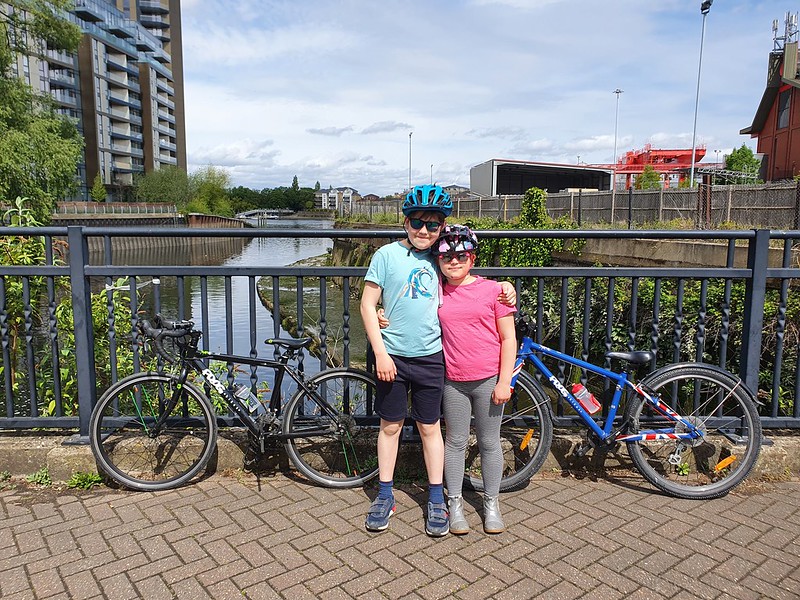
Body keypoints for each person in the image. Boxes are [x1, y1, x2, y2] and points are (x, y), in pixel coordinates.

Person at [360, 185, 514, 537]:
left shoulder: (442, 257)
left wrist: (506, 286)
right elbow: (368, 304)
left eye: (433, 226)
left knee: (432, 428)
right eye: (417, 223)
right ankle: (385, 494)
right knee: (391, 426)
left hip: (432, 357)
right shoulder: (385, 256)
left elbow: (471, 282)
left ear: (442, 230)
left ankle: (435, 497)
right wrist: (381, 351)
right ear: (405, 222)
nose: (424, 232)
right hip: (392, 356)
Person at [434, 225, 517, 534]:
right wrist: (381, 312)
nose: (453, 262)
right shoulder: (436, 290)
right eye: (446, 257)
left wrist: (504, 381)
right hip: (452, 379)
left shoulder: (493, 290)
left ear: (472, 258)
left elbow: (508, 339)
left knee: (489, 442)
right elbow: (408, 306)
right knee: (454, 442)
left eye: (461, 256)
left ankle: (491, 503)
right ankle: (455, 503)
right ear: (438, 260)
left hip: (488, 379)